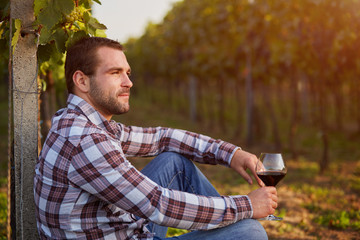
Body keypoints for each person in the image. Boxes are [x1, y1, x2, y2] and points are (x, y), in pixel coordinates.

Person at [34, 37, 278, 240]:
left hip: (113, 227)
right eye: (115, 73)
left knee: (174, 162)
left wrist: (231, 154)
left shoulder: (78, 121)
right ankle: (234, 223)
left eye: (127, 73)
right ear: (82, 81)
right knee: (250, 233)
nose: (129, 82)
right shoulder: (85, 140)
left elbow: (163, 138)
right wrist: (245, 205)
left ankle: (224, 225)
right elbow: (158, 205)